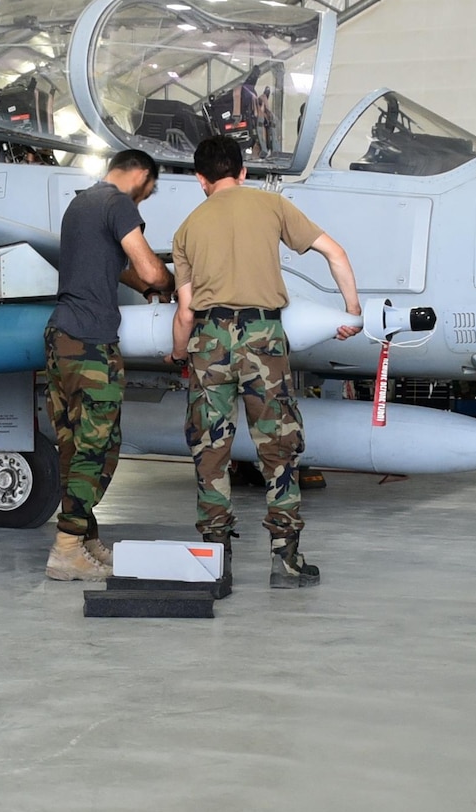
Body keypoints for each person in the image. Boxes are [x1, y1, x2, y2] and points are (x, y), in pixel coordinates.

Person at [170, 134, 362, 588]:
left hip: (210, 339)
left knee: (210, 451)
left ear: (201, 180)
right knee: (278, 449)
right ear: (243, 172)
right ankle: (286, 562)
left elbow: (185, 310)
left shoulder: (186, 229)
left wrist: (179, 351)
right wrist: (352, 312)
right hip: (263, 338)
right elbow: (336, 253)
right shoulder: (272, 206)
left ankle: (213, 563)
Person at [44, 149, 169, 581]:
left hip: (61, 337)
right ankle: (65, 549)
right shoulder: (118, 202)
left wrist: (143, 280)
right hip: (93, 342)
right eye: (150, 189)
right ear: (141, 175)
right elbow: (149, 271)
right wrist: (168, 282)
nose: (146, 197)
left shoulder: (81, 204)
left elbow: (113, 268)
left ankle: (84, 540)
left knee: (73, 445)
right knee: (99, 447)